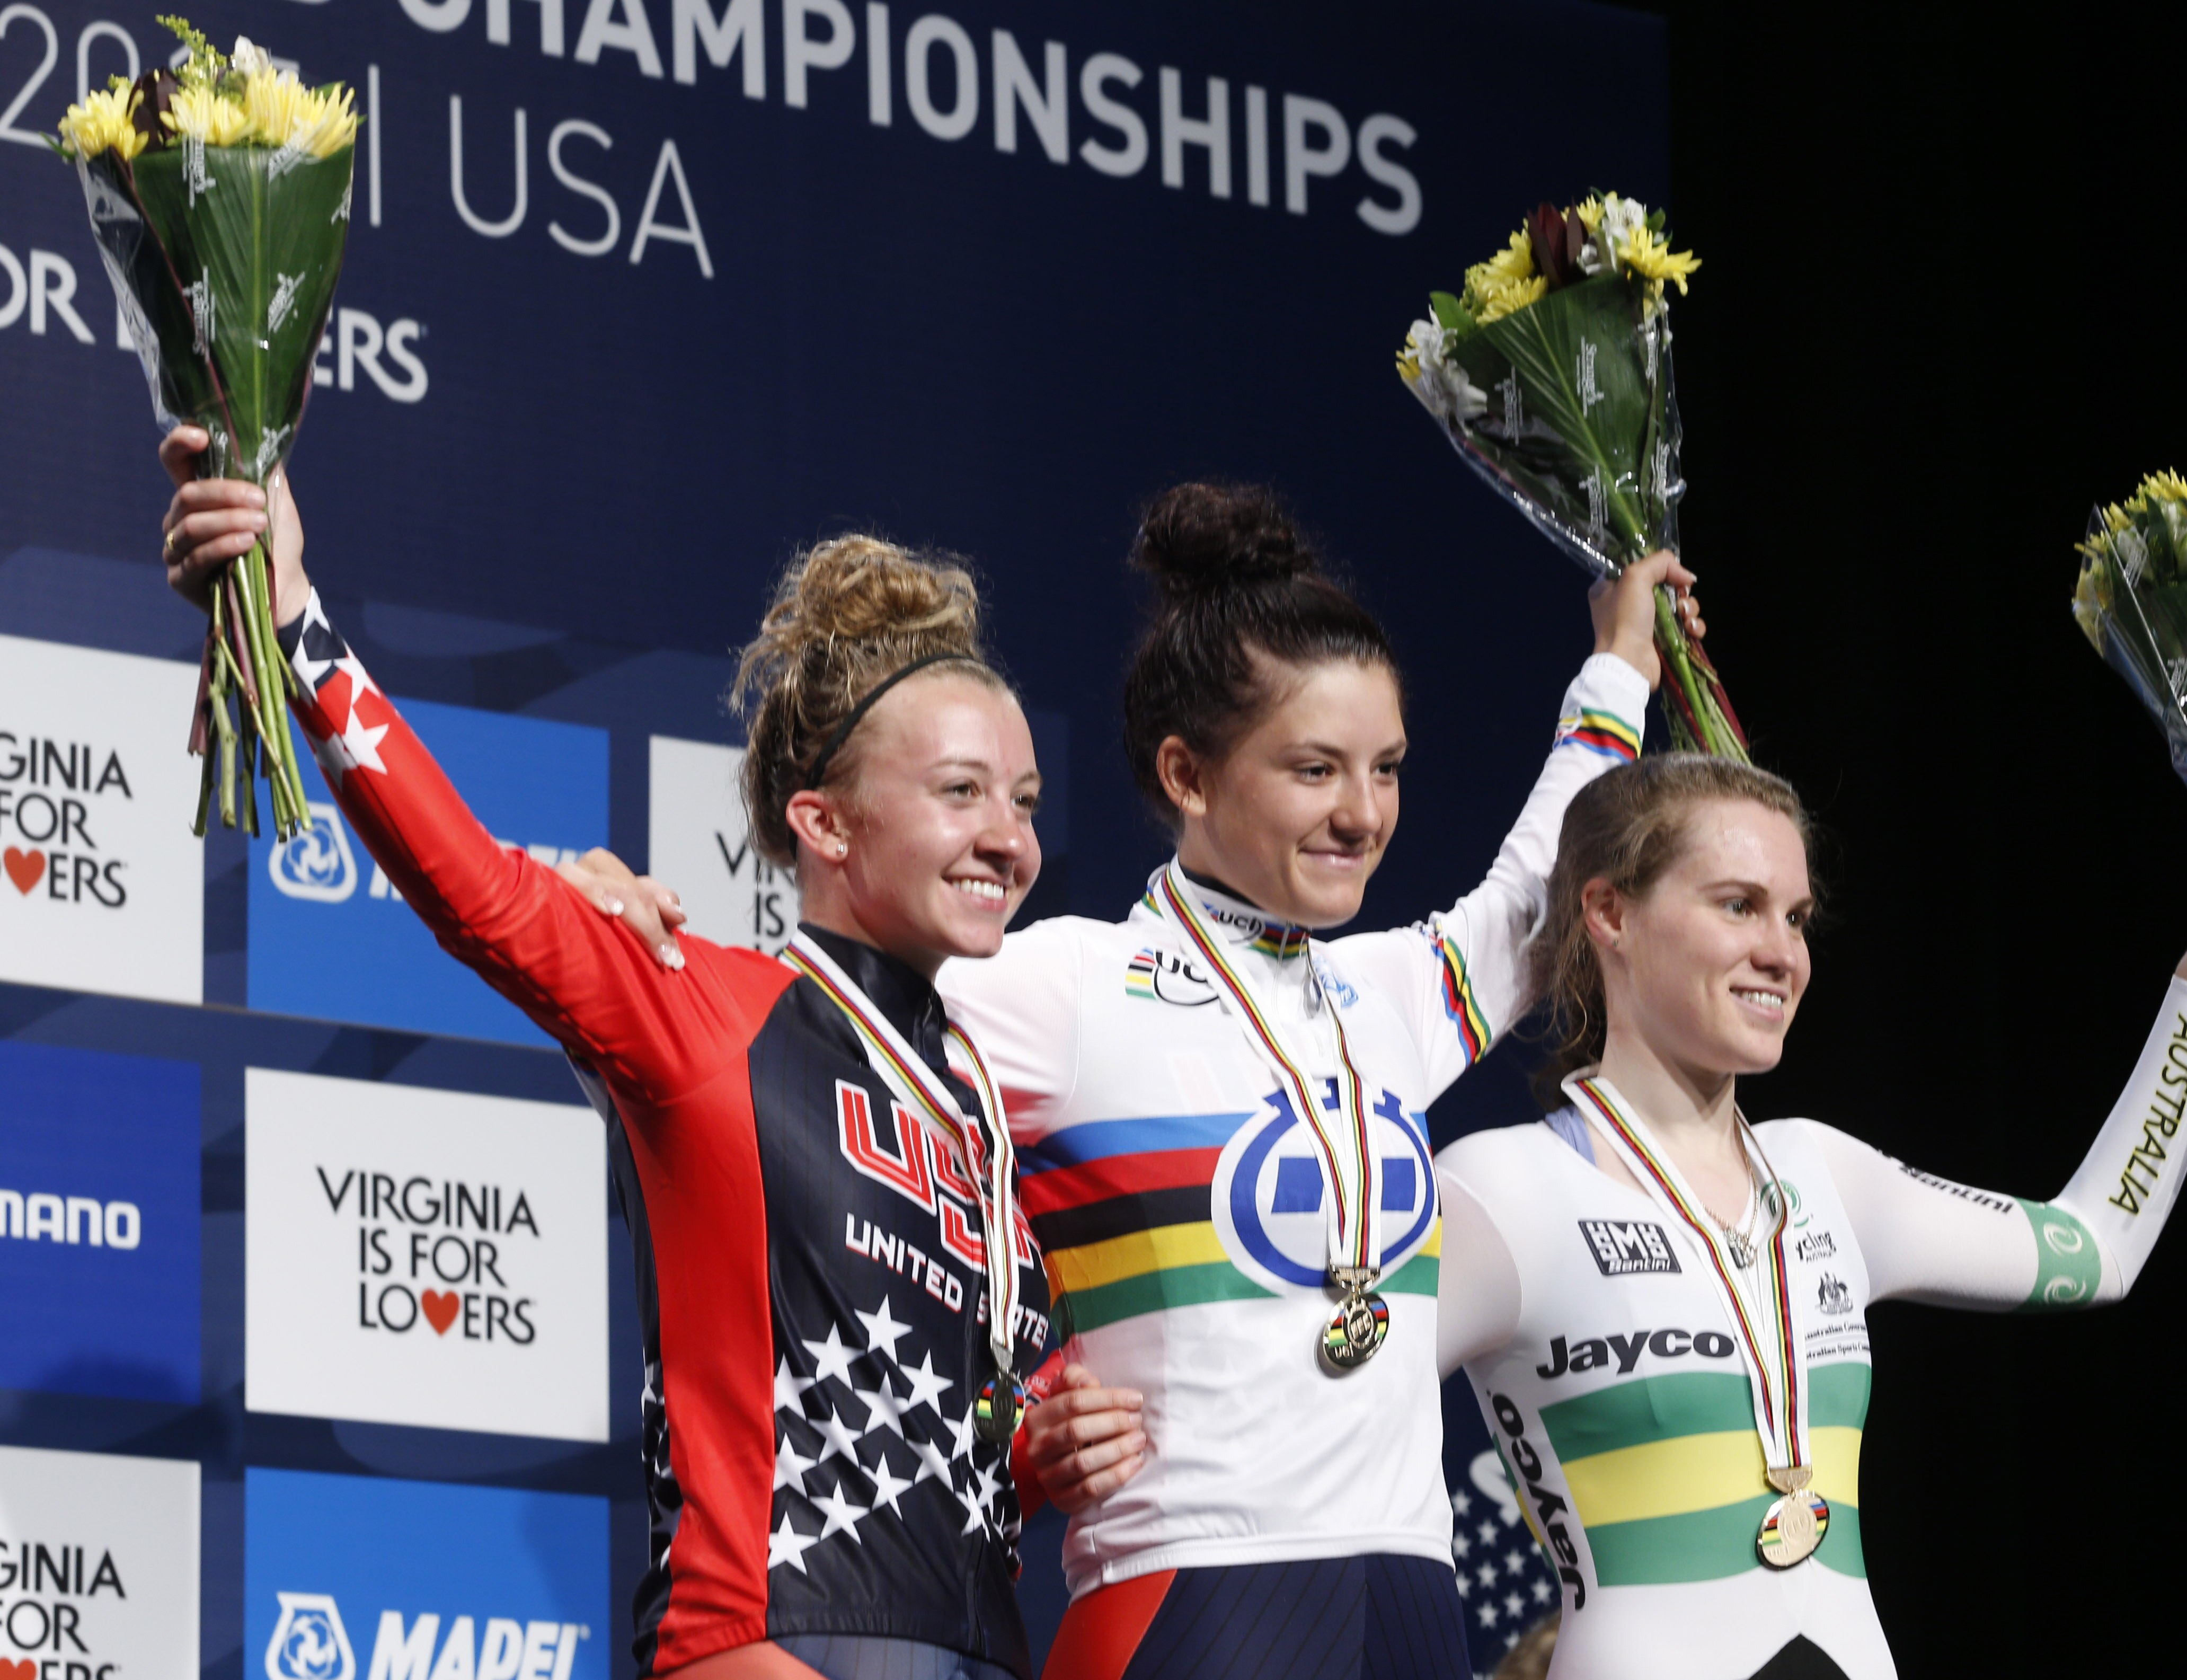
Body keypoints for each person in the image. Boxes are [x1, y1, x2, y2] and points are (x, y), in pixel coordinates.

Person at [572, 483, 1692, 1678]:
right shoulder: (1061, 990)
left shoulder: (1389, 996)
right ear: (1187, 774)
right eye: (1315, 769)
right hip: (1192, 1592)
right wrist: (620, 923)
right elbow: (774, 1055)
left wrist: (1616, 667)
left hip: (1414, 1589)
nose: (1361, 813)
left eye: (1387, 768)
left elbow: (1535, 893)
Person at [158, 431, 1060, 1680]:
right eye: (961, 791)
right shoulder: (698, 1002)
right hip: (770, 1641)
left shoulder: (979, 1103)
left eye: (1021, 800)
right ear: (825, 822)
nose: (1005, 837)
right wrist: (300, 618)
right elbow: (470, 883)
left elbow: (932, 1422)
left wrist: (1043, 1447)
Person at [1430, 754, 2187, 1680]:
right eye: (1737, 905)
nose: (1781, 953)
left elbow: (2097, 1245)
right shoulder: (1505, 1191)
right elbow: (1320, 1441)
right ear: (1609, 912)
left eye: (1795, 917)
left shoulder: (1823, 1175)